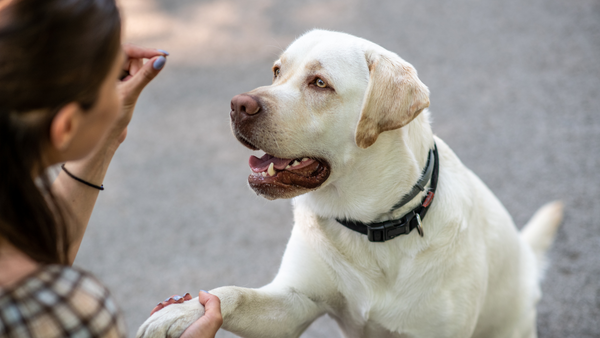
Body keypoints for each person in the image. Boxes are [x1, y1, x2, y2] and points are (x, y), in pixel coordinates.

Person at [0, 0, 222, 337]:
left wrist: (105, 137)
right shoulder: (62, 310)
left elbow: (39, 255)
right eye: (108, 82)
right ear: (67, 126)